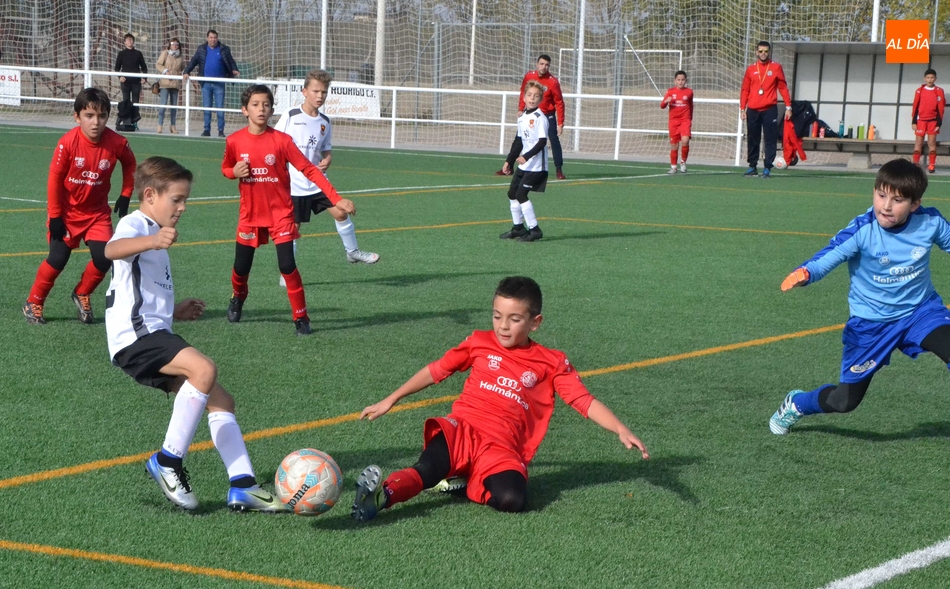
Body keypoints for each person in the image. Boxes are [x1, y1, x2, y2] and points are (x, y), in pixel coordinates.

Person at [351, 276, 649, 522]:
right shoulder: (479, 341)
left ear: (535, 322)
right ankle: (379, 497)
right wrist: (392, 398)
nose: (503, 325)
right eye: (497, 316)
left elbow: (582, 400)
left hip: (502, 446)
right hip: (462, 430)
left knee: (511, 500)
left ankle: (464, 479)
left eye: (514, 318)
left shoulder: (551, 362)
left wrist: (620, 428)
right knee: (427, 469)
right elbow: (437, 370)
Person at [105, 156, 285, 513]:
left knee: (222, 403)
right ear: (151, 194)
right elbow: (110, 250)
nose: (183, 208)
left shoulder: (151, 233)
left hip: (151, 331)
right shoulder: (135, 223)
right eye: (177, 199)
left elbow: (135, 293)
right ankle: (168, 461)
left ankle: (243, 484)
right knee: (203, 369)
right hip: (135, 338)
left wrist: (175, 311)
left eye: (185, 200)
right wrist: (152, 239)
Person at [770, 158, 950, 436]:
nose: (886, 206)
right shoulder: (863, 230)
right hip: (871, 325)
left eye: (898, 200)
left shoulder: (930, 222)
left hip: (920, 313)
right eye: (881, 195)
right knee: (844, 402)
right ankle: (797, 403)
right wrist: (805, 273)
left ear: (915, 204)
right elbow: (828, 257)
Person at [221, 84, 356, 335]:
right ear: (244, 110)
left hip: (281, 214)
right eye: (255, 104)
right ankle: (237, 298)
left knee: (287, 265)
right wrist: (233, 172)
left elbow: (310, 168)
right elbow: (226, 168)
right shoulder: (234, 141)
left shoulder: (282, 141)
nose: (261, 109)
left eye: (266, 104)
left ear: (272, 109)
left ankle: (301, 318)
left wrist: (335, 199)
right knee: (241, 267)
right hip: (249, 216)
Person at [23, 87, 136, 326]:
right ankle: (34, 301)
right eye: (89, 116)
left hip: (96, 215)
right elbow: (54, 179)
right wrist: (55, 216)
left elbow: (131, 165)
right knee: (57, 259)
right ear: (77, 117)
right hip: (66, 214)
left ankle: (82, 292)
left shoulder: (117, 142)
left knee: (105, 258)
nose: (96, 122)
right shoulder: (67, 143)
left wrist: (126, 193)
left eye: (102, 116)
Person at [274, 68, 379, 274]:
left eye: (323, 92)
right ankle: (287, 273)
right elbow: (274, 141)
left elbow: (325, 148)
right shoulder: (291, 115)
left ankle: (353, 251)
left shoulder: (324, 122)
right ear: (304, 92)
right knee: (293, 229)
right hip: (294, 183)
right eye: (315, 91)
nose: (320, 96)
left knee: (341, 212)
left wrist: (328, 158)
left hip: (317, 181)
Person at [497, 54, 566, 180]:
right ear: (537, 64)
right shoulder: (529, 76)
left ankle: (559, 169)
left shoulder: (553, 81)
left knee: (554, 140)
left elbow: (559, 102)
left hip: (547, 115)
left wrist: (560, 123)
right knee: (520, 138)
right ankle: (509, 165)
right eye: (542, 64)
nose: (544, 67)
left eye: (547, 65)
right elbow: (524, 92)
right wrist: (520, 108)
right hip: (531, 114)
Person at [498, 81, 548, 243]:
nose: (532, 98)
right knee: (512, 194)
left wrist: (526, 156)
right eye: (529, 95)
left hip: (536, 165)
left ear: (540, 100)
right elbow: (518, 141)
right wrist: (509, 161)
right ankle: (518, 228)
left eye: (536, 96)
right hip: (524, 164)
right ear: (524, 97)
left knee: (521, 194)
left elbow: (542, 142)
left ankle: (535, 230)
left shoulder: (540, 117)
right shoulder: (522, 117)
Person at [739, 41, 791, 179]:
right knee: (753, 138)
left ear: (769, 52)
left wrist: (788, 106)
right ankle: (752, 166)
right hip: (753, 110)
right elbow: (745, 90)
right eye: (760, 51)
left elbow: (783, 88)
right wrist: (742, 108)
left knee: (770, 139)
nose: (763, 54)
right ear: (756, 52)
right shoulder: (751, 69)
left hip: (770, 109)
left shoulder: (776, 67)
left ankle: (768, 167)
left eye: (766, 51)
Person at [183, 30, 240, 137]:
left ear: (217, 38)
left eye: (215, 37)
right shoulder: (201, 49)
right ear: (207, 38)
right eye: (211, 37)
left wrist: (234, 70)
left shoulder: (224, 49)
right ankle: (206, 129)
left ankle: (221, 130)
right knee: (206, 107)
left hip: (220, 83)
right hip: (206, 84)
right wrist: (186, 72)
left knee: (220, 107)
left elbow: (231, 61)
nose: (213, 39)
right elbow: (193, 61)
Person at [912, 68, 946, 174]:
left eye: (932, 78)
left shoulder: (939, 91)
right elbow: (915, 106)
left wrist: (939, 123)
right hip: (921, 121)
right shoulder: (919, 90)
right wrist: (913, 121)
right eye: (928, 78)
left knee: (932, 143)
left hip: (933, 121)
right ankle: (915, 165)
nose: (930, 80)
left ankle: (931, 165)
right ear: (924, 78)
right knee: (918, 143)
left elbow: (941, 108)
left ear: (935, 79)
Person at [660, 70, 694, 175]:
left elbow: (691, 106)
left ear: (686, 81)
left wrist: (689, 119)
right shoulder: (670, 92)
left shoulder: (689, 92)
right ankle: (673, 167)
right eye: (678, 80)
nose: (680, 82)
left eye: (682, 80)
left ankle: (683, 163)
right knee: (674, 145)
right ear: (675, 81)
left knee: (685, 140)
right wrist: (666, 101)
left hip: (685, 120)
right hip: (673, 122)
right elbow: (662, 106)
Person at [155, 37, 184, 134]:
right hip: (165, 83)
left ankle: (173, 125)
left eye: (176, 44)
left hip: (175, 84)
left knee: (174, 106)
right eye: (173, 44)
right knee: (163, 105)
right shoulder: (165, 53)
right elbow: (158, 64)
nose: (175, 46)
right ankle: (160, 125)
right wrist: (166, 71)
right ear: (169, 45)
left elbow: (183, 68)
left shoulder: (180, 56)